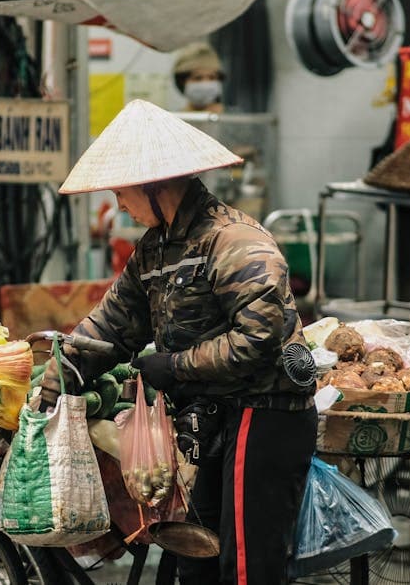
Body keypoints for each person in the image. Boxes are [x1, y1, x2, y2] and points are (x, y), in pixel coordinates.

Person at [41, 100, 317, 584]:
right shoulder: (154, 249)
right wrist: (57, 380)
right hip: (206, 419)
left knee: (246, 567)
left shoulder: (235, 241)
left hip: (263, 415)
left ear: (154, 184)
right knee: (195, 563)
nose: (120, 204)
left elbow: (259, 338)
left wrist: (176, 366)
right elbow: (112, 324)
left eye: (122, 192)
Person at [173, 42, 226, 114]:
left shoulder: (233, 120)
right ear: (182, 82)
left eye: (212, 77)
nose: (206, 83)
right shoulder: (174, 120)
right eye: (198, 78)